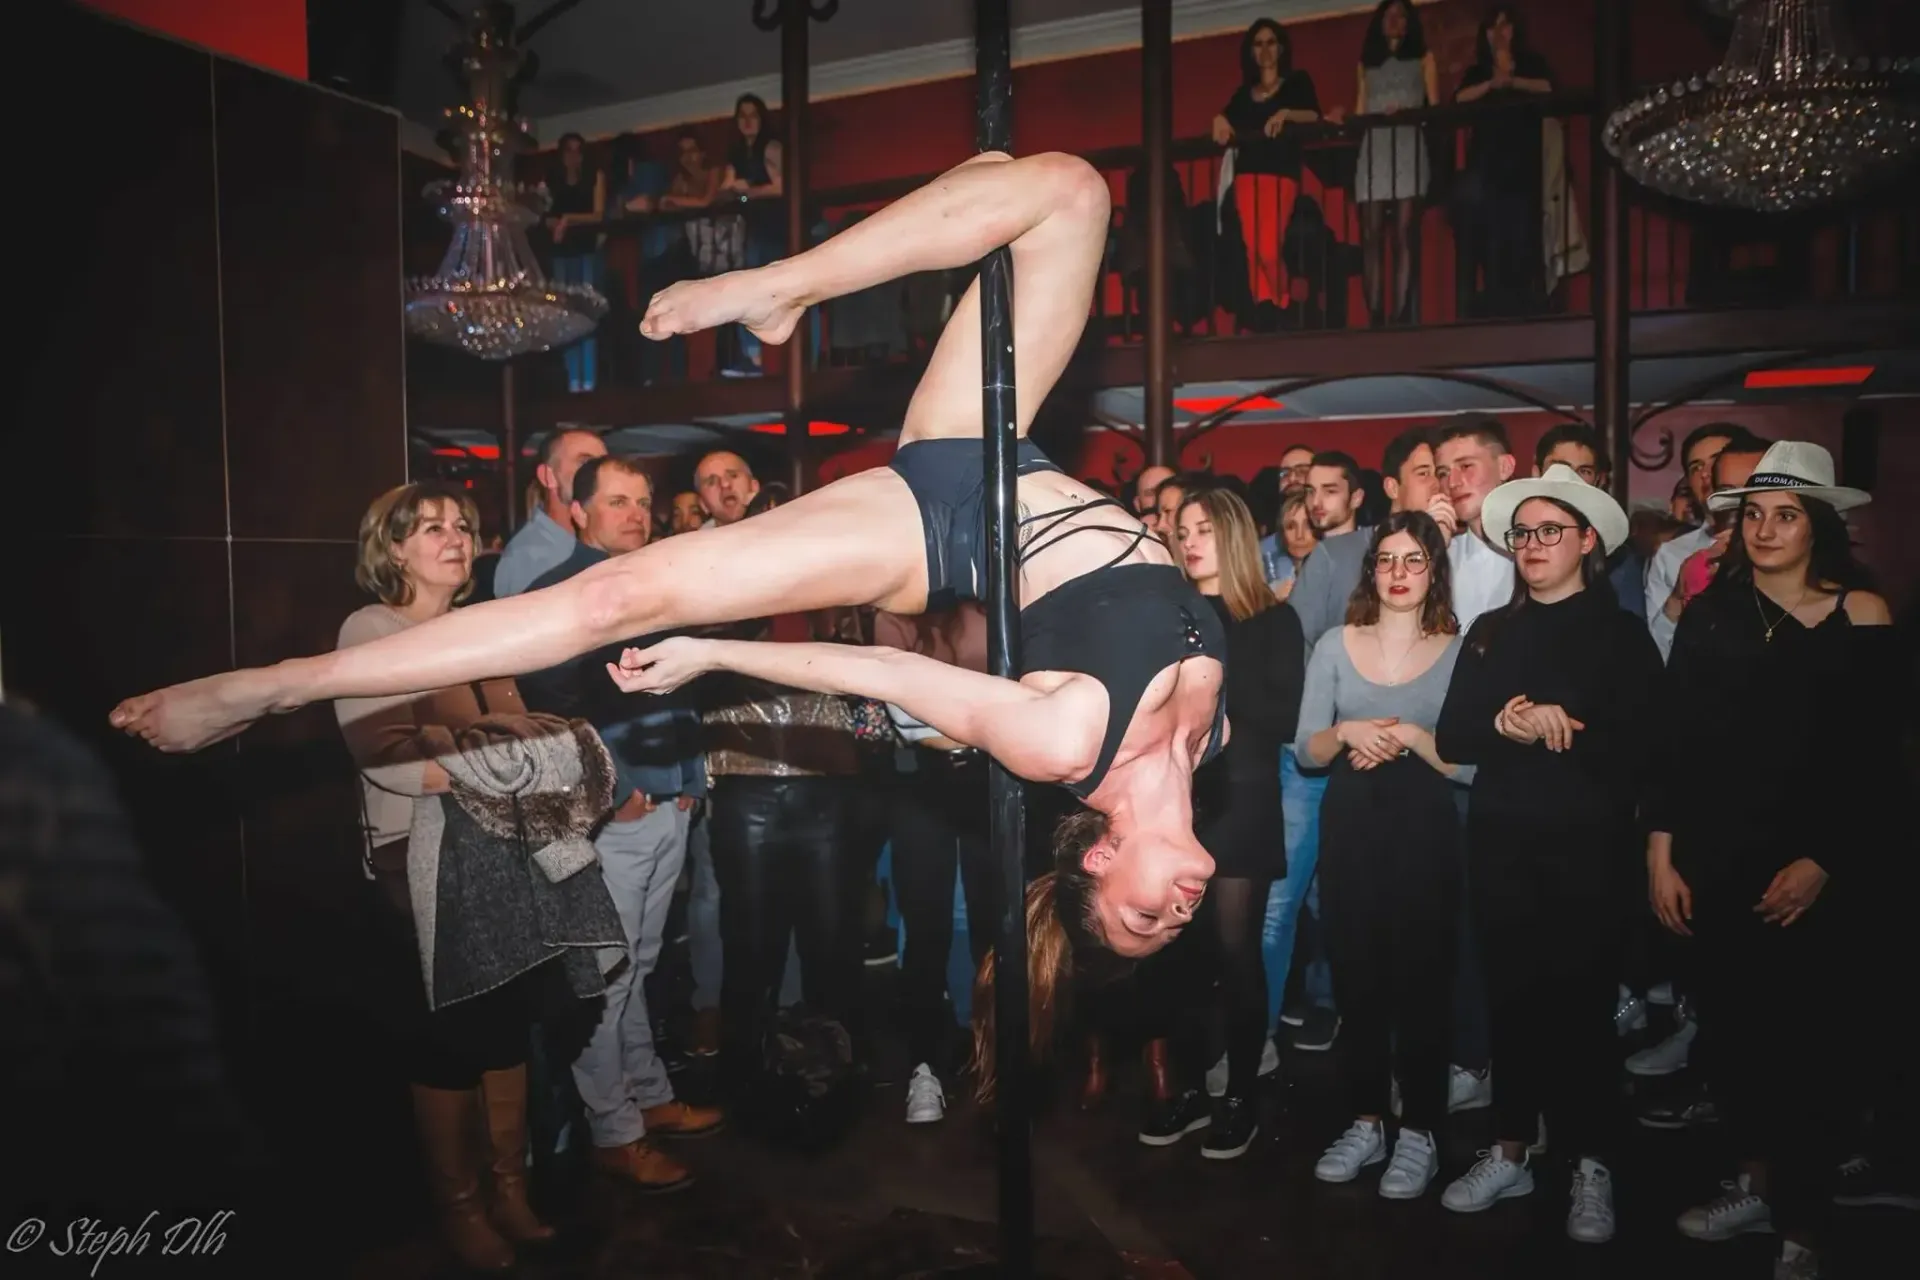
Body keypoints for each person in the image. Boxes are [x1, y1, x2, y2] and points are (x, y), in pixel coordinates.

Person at [110, 152, 1227, 1063]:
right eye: (1167, 925)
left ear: (1093, 859)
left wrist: (709, 653)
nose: (1170, 910)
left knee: (620, 592)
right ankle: (782, 286)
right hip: (994, 445)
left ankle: (268, 685)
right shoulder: (1209, 733)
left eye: (1142, 917)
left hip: (928, 526)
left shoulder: (1068, 741)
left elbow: (883, 673)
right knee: (1065, 187)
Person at [1646, 442, 1892, 1280]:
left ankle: (1806, 1225)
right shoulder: (1713, 613)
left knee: (1813, 1048)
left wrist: (1825, 858)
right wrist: (1660, 852)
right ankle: (1754, 1185)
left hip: (1823, 866)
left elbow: (1878, 760)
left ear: (1820, 523)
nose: (1764, 528)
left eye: (1785, 514)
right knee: (1736, 1038)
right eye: (1752, 513)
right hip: (1717, 855)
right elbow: (1673, 745)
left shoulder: (1861, 612)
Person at [1434, 465, 1661, 1242]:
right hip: (1501, 841)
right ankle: (1511, 1149)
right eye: (1522, 533)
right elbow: (1452, 735)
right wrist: (1505, 724)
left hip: (1590, 847)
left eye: (1548, 532)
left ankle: (1591, 1162)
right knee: (1512, 1002)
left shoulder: (1621, 634)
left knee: (1583, 1011)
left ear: (1587, 540)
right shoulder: (1491, 631)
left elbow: (1650, 748)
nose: (1532, 545)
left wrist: (1572, 723)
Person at [1297, 512, 1470, 1201]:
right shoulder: (1336, 644)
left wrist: (1413, 739)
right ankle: (1367, 1120)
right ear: (1372, 571)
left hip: (1425, 823)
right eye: (1388, 560)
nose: (1399, 574)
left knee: (1424, 979)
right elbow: (1307, 748)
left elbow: (1473, 767)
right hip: (1351, 820)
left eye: (1414, 561)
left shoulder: (1461, 651)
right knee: (1357, 976)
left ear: (1435, 572)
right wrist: (1349, 730)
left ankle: (1421, 1132)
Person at [1162, 488, 1305, 1158]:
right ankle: (1189, 1089)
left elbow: (1280, 719)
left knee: (1235, 954)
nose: (1190, 541)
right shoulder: (1170, 617)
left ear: (1235, 538)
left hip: (1241, 799)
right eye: (1183, 529)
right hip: (1172, 801)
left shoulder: (1271, 620)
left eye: (1204, 530)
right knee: (1177, 957)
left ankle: (1242, 1093)